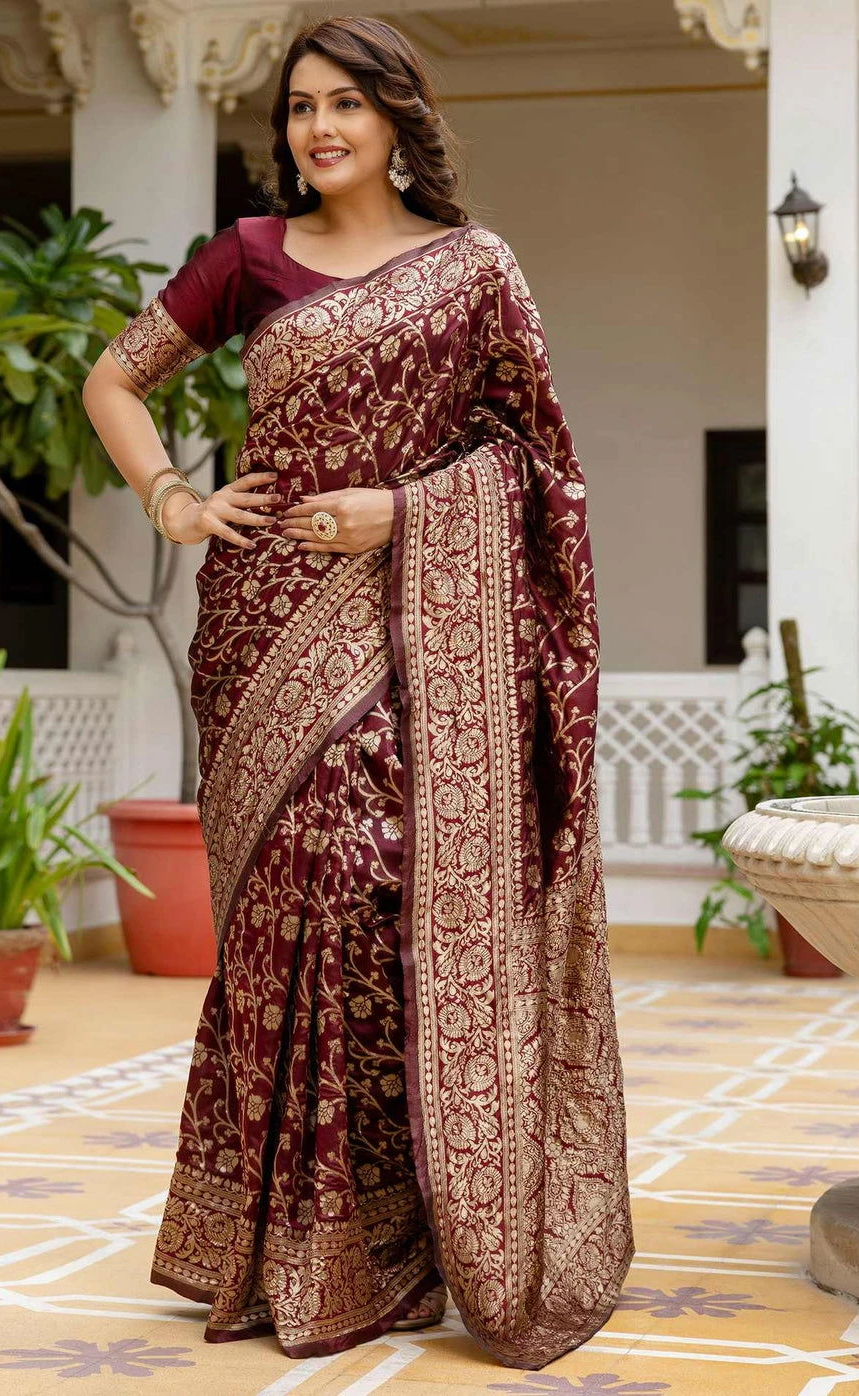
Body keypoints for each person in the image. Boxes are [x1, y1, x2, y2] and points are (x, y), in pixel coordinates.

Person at [81, 12, 633, 1369]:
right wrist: (175, 499)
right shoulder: (248, 256)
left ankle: (396, 1237)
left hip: (412, 628)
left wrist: (407, 512)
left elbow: (540, 466)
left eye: (345, 103)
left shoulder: (473, 268)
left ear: (397, 119)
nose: (318, 127)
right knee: (282, 922)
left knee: (372, 891)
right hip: (261, 624)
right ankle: (285, 1247)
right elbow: (115, 378)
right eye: (299, 106)